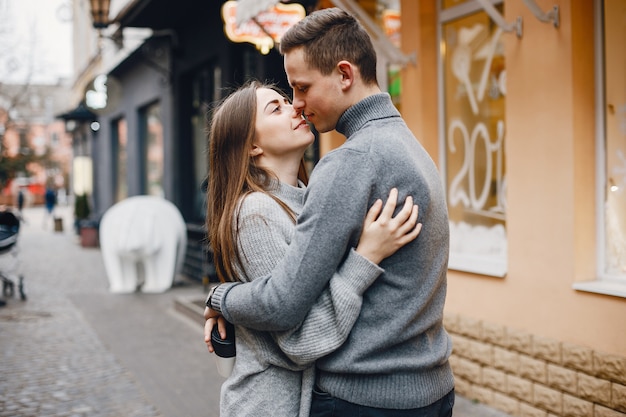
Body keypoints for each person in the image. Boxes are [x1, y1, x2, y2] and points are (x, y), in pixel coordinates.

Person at [205, 7, 455, 416]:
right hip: (424, 388)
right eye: (286, 98)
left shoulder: (349, 162)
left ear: (344, 74)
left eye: (301, 88)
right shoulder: (408, 144)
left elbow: (283, 303)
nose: (298, 105)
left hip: (365, 396)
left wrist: (221, 297)